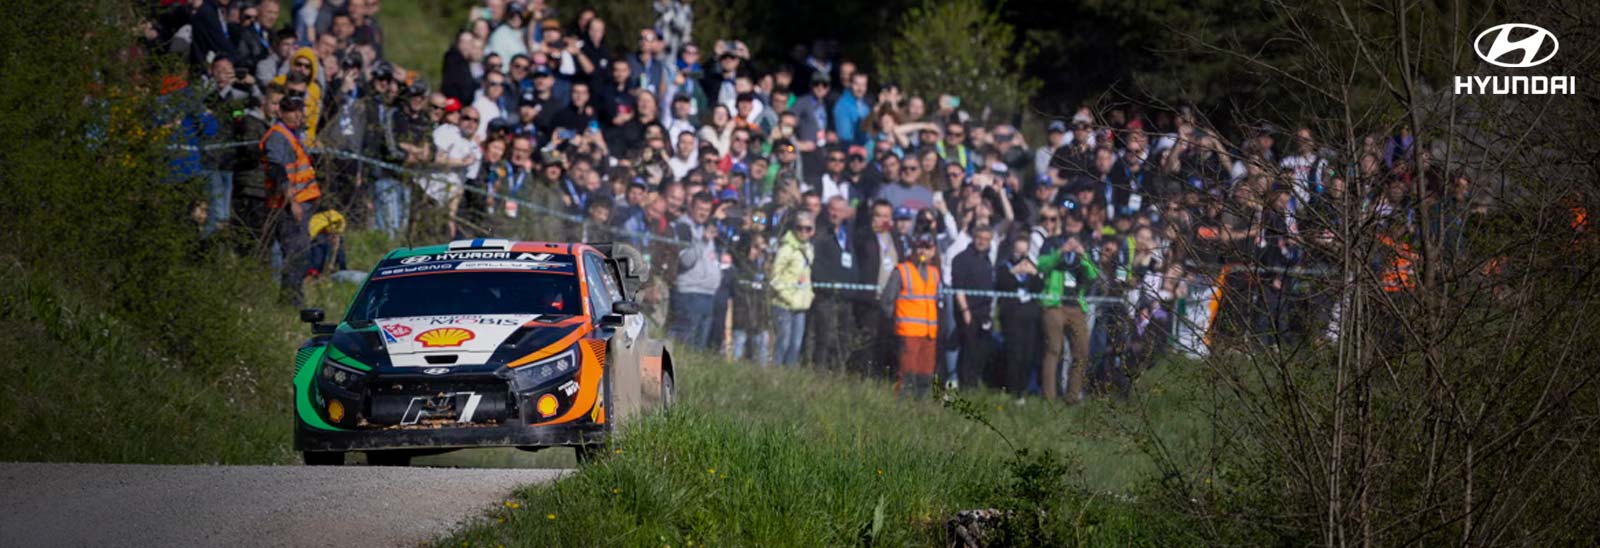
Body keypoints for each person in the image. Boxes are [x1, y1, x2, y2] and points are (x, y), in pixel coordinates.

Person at [259, 95, 322, 306]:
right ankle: (291, 302)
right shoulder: (278, 136)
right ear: (281, 112)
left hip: (299, 204)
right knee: (295, 256)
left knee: (300, 255)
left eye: (299, 109)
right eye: (291, 110)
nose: (297, 114)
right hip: (287, 207)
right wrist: (292, 202)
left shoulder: (292, 135)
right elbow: (277, 170)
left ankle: (292, 300)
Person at [1036, 232, 1098, 403]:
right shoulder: (1052, 244)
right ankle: (1049, 398)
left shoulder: (1084, 250)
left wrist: (1083, 255)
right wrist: (1060, 252)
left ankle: (1072, 397)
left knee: (1082, 352)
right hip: (1055, 305)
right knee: (1054, 349)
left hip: (1076, 307)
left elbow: (1093, 276)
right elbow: (1041, 266)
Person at [882, 234, 942, 399]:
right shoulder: (902, 270)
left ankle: (922, 406)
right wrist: (892, 324)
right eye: (919, 247)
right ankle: (901, 405)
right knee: (907, 371)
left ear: (934, 251)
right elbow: (887, 300)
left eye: (927, 248)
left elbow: (937, 301)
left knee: (926, 372)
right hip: (908, 331)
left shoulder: (935, 273)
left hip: (929, 333)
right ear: (914, 249)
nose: (923, 251)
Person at [808, 196, 858, 371]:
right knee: (824, 337)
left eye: (839, 210)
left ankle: (838, 373)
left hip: (845, 296)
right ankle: (819, 375)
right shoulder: (820, 233)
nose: (835, 213)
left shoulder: (848, 235)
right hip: (825, 295)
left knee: (843, 339)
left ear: (845, 213)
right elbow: (816, 264)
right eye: (832, 209)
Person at [670, 191, 722, 349]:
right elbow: (686, 260)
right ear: (691, 207)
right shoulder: (683, 227)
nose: (703, 213)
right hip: (690, 294)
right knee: (687, 345)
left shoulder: (704, 228)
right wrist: (704, 240)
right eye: (699, 208)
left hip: (708, 294)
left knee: (699, 348)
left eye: (706, 210)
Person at [995, 236, 1043, 396]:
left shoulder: (1032, 266)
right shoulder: (1004, 267)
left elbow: (1039, 289)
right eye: (1018, 252)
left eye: (1024, 252)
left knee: (1027, 353)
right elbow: (1001, 285)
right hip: (1011, 315)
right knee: (1013, 353)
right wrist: (1013, 272)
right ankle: (1010, 388)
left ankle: (1023, 388)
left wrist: (1034, 273)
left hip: (1029, 316)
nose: (1021, 256)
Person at [950, 224, 996, 389]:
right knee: (968, 349)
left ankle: (975, 381)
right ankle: (966, 384)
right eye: (980, 238)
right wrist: (965, 311)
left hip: (984, 312)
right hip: (968, 311)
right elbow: (958, 288)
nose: (982, 242)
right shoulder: (962, 259)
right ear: (974, 238)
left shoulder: (987, 259)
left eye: (986, 239)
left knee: (982, 349)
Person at [770, 212, 816, 367]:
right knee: (783, 343)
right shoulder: (786, 248)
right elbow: (774, 277)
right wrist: (787, 296)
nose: (803, 232)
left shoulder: (809, 249)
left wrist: (808, 295)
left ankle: (789, 378)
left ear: (813, 230)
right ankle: (775, 375)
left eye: (808, 229)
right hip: (784, 304)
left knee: (796, 344)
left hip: (801, 305)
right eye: (800, 228)